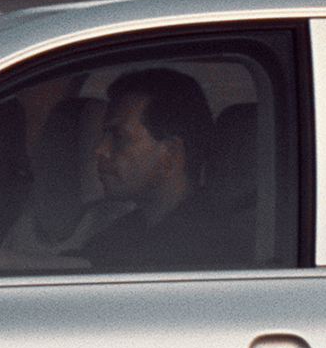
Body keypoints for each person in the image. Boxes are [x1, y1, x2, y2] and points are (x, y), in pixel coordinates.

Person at [74, 68, 238, 272]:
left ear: (170, 154)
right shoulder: (129, 231)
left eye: (119, 137)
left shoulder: (204, 253)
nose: (101, 150)